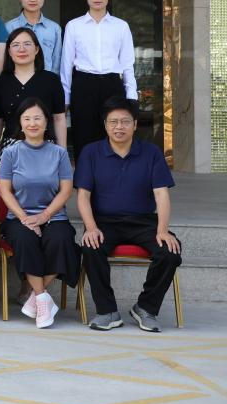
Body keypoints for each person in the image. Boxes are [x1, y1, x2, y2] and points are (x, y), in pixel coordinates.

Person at [76, 97, 181, 332]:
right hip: (104, 222)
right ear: (105, 125)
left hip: (143, 221)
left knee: (170, 251)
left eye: (125, 121)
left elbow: (161, 194)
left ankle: (146, 308)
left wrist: (162, 230)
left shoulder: (151, 153)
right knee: (91, 247)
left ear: (135, 124)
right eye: (113, 122)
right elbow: (83, 196)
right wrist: (91, 227)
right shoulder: (91, 152)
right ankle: (107, 311)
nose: (119, 127)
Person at [0, 97, 79, 329]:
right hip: (18, 217)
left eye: (37, 118)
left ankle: (36, 296)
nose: (32, 123)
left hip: (54, 216)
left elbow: (66, 190)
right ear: (20, 123)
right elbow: (4, 191)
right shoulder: (10, 153)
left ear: (46, 122)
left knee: (62, 240)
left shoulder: (59, 153)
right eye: (27, 119)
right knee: (25, 238)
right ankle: (43, 298)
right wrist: (24, 217)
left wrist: (44, 216)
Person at [61, 0, 137, 157]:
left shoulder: (121, 26)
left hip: (112, 85)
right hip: (83, 85)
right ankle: (84, 175)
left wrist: (131, 96)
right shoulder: (74, 26)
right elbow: (66, 65)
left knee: (114, 136)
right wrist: (65, 98)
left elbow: (128, 64)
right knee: (83, 135)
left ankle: (113, 175)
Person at [0, 27, 67, 154]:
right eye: (16, 45)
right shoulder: (1, 82)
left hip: (46, 148)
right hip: (10, 149)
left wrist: (62, 153)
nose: (22, 49)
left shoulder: (51, 80)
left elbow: (59, 118)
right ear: (9, 51)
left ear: (36, 49)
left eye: (27, 44)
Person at [5, 0, 62, 75]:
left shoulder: (54, 28)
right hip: (17, 81)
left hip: (46, 81)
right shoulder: (8, 28)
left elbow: (57, 64)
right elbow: (5, 61)